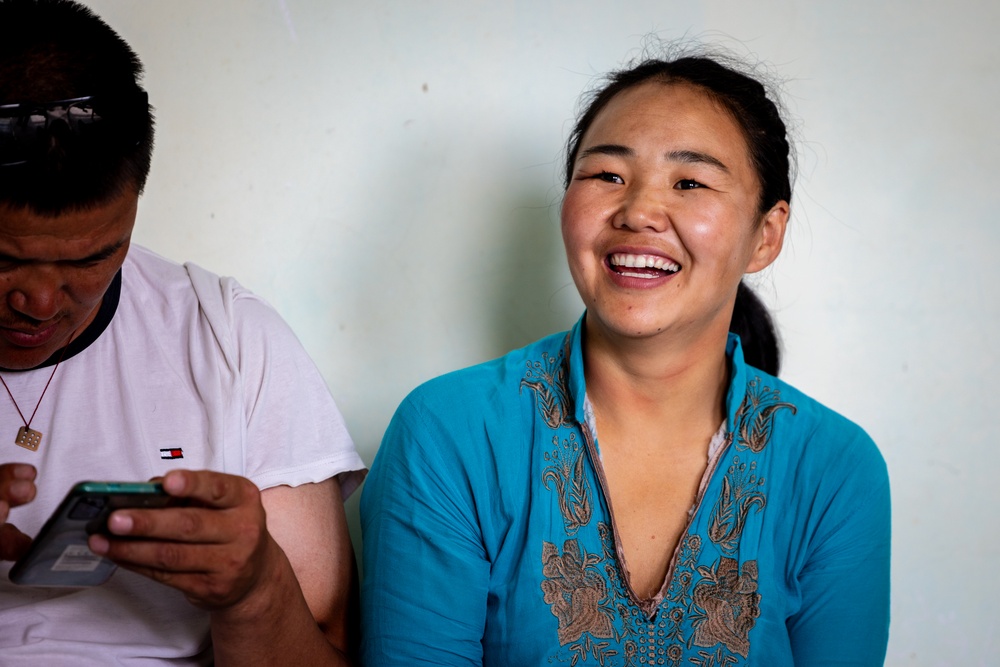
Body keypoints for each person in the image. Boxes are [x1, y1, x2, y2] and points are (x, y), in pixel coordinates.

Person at [359, 52, 891, 665]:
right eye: (607, 175)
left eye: (689, 183)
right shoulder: (449, 433)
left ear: (765, 235)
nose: (637, 212)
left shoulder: (834, 470)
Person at [0, 1, 365, 664]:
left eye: (90, 259)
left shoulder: (226, 335)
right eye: (3, 259)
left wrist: (254, 590)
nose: (40, 300)